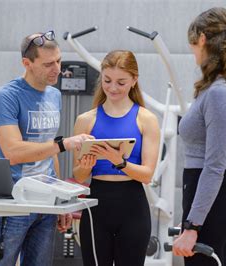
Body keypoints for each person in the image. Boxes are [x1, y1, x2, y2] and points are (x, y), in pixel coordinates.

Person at [0, 31, 93, 266]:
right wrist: (63, 144)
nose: (57, 69)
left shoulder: (54, 95)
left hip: (45, 201)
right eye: (48, 64)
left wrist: (60, 200)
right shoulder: (7, 97)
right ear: (27, 63)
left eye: (59, 61)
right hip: (14, 202)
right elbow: (13, 152)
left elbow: (48, 150)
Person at [172, 7, 226, 266]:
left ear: (203, 40)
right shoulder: (224, 86)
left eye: (193, 44)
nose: (192, 51)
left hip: (214, 202)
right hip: (211, 200)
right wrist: (190, 218)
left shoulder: (220, 93)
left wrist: (194, 224)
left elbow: (215, 165)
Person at [73, 50, 160, 266]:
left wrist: (119, 161)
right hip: (96, 209)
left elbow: (147, 175)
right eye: (107, 80)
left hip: (133, 208)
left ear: (134, 81)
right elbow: (79, 176)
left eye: (121, 82)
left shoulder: (146, 119)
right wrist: (86, 166)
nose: (113, 88)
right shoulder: (85, 120)